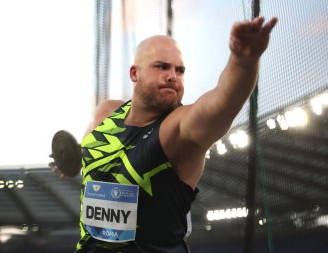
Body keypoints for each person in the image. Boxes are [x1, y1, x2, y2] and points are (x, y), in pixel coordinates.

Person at [50, 16, 278, 253]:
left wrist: (243, 62)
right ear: (134, 74)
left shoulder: (178, 130)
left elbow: (222, 103)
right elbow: (89, 159)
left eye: (180, 70)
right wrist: (71, 164)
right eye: (162, 67)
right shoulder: (106, 113)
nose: (173, 76)